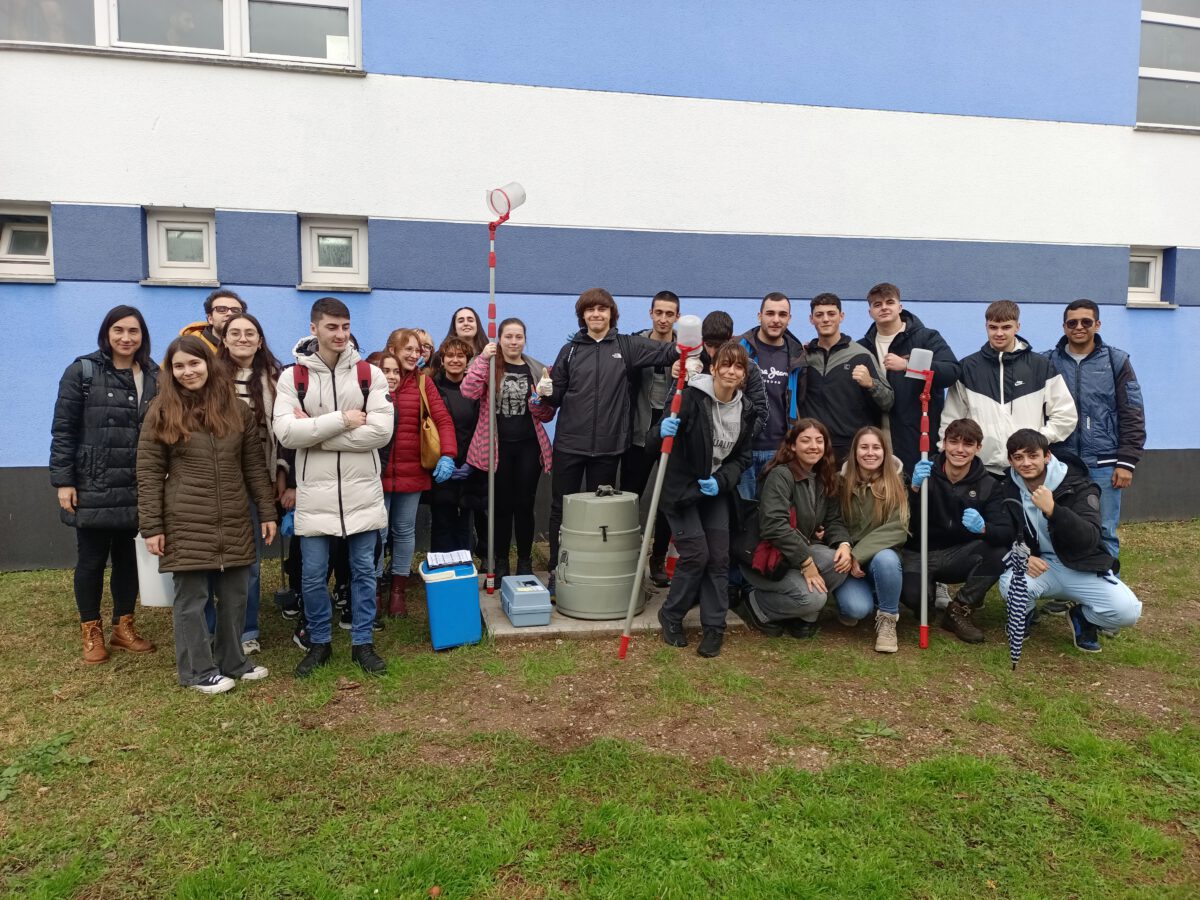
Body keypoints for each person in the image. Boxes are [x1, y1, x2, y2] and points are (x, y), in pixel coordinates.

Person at [137, 336, 276, 694]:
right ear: (171, 371)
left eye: (194, 363)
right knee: (192, 599)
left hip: (232, 516)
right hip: (185, 519)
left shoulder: (236, 409)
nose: (187, 372)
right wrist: (152, 526)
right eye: (179, 366)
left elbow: (254, 466)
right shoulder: (161, 410)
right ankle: (198, 671)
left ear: (209, 364)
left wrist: (266, 511)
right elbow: (149, 471)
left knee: (234, 596)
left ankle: (232, 661)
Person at [274, 298, 398, 677]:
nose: (340, 334)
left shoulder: (369, 375)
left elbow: (380, 432)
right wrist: (344, 419)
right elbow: (285, 432)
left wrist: (316, 432)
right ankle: (319, 642)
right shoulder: (292, 377)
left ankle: (362, 642)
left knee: (363, 572)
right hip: (315, 497)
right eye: (332, 327)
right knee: (312, 576)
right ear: (314, 329)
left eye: (345, 326)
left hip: (362, 493)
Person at [540, 288, 678, 592]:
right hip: (569, 444)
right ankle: (555, 570)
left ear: (611, 314)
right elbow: (558, 395)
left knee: (599, 514)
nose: (596, 314)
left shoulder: (627, 346)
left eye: (602, 309)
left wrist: (693, 350)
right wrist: (547, 392)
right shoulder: (570, 350)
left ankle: (592, 571)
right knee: (560, 509)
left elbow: (667, 351)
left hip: (608, 447)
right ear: (583, 315)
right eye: (590, 310)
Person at [51, 305, 160, 664]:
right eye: (119, 331)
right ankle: (91, 630)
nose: (126, 338)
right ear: (107, 333)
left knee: (129, 558)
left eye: (134, 331)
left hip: (137, 482)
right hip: (93, 481)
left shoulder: (155, 374)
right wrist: (64, 480)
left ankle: (123, 626)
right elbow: (63, 430)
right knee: (92, 559)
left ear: (142, 335)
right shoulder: (82, 371)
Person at [656, 342, 757, 658]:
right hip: (682, 490)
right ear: (713, 367)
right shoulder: (690, 398)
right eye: (725, 364)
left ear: (743, 374)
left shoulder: (747, 409)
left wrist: (721, 480)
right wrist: (662, 430)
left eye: (738, 367)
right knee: (696, 555)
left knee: (718, 557)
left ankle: (714, 627)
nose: (731, 371)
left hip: (714, 490)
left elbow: (743, 458)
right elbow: (651, 442)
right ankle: (671, 615)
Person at [999, 429, 1142, 653]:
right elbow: (1000, 534)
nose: (1026, 463)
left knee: (1127, 611)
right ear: (1010, 461)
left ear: (1047, 456)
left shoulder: (1080, 486)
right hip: (1041, 567)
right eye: (1018, 457)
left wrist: (1054, 511)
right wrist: (1021, 556)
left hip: (1081, 565)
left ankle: (1082, 617)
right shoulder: (1006, 489)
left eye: (1032, 455)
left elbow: (1089, 538)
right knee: (1011, 585)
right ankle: (1023, 616)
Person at [1043, 299, 1145, 563]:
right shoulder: (1047, 362)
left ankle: (1107, 597)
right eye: (1072, 322)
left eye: (1086, 322)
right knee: (1059, 526)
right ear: (1064, 326)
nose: (1079, 327)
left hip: (1105, 462)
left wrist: (1127, 462)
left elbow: (1132, 413)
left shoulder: (1116, 360)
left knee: (1104, 531)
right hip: (1061, 462)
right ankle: (1061, 596)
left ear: (1097, 324)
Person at [734, 419, 851, 639]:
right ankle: (757, 605)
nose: (813, 446)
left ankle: (804, 618)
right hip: (764, 559)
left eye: (819, 441)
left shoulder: (826, 478)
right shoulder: (781, 475)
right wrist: (807, 563)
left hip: (793, 556)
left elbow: (834, 520)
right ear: (793, 446)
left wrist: (843, 544)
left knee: (839, 562)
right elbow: (774, 526)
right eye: (805, 440)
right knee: (814, 598)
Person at [903, 418, 1014, 643]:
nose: (960, 450)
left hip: (959, 555)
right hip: (920, 552)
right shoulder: (925, 472)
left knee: (1000, 551)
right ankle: (928, 594)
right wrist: (913, 489)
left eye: (968, 444)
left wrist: (984, 527)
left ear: (978, 448)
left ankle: (959, 608)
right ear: (944, 444)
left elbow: (1006, 532)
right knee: (916, 600)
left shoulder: (989, 485)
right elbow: (904, 522)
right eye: (953, 442)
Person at [215, 312, 285, 655]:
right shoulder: (208, 377)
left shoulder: (275, 378)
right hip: (216, 481)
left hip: (259, 477)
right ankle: (214, 629)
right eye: (235, 333)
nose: (243, 338)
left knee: (250, 562)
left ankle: (247, 629)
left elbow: (283, 434)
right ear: (223, 339)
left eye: (250, 333)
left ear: (260, 341)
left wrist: (279, 478)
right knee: (213, 559)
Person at [462, 318, 554, 578]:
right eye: (508, 337)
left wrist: (542, 399)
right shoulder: (489, 365)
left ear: (524, 339)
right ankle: (500, 561)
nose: (513, 342)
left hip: (528, 447)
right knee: (501, 506)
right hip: (496, 448)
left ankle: (524, 561)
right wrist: (482, 359)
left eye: (518, 337)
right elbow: (468, 391)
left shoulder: (536, 368)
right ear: (499, 339)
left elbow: (546, 415)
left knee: (524, 506)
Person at [941, 300, 1077, 474]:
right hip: (979, 468)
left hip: (1025, 468)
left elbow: (1066, 415)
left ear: (1017, 327)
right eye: (993, 327)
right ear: (986, 326)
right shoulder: (967, 367)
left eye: (1006, 327)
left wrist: (1037, 440)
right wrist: (945, 455)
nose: (999, 333)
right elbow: (951, 420)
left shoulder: (1041, 366)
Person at [376, 329, 458, 615]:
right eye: (407, 349)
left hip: (413, 472)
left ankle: (398, 589)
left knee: (404, 530)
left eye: (418, 349)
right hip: (378, 473)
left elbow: (443, 420)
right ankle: (373, 588)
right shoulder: (376, 376)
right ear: (391, 349)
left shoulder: (423, 382)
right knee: (378, 533)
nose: (414, 354)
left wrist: (448, 455)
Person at [859, 282, 960, 473]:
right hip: (876, 436)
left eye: (890, 302)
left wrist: (909, 365)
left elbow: (951, 372)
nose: (884, 308)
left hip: (915, 436)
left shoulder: (926, 338)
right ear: (870, 312)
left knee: (916, 495)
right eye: (877, 304)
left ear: (900, 307)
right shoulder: (862, 347)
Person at [622, 290, 680, 586]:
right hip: (638, 431)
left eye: (670, 314)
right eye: (659, 312)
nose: (664, 319)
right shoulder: (634, 343)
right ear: (651, 313)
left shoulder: (687, 347)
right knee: (630, 496)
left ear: (677, 317)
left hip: (671, 433)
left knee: (667, 500)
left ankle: (658, 559)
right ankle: (627, 558)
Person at [834, 426, 910, 653]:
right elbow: (834, 521)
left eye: (876, 447)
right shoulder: (841, 482)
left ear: (885, 452)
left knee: (886, 559)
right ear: (855, 452)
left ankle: (888, 620)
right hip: (849, 562)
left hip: (879, 557)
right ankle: (862, 598)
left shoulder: (897, 483)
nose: (870, 453)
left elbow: (899, 527)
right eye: (864, 447)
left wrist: (860, 553)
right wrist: (848, 550)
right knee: (856, 610)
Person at [802, 293, 894, 463]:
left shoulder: (861, 356)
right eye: (819, 315)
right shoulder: (804, 357)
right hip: (814, 447)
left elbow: (888, 401)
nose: (825, 319)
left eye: (831, 314)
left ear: (841, 316)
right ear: (811, 319)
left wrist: (871, 384)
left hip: (851, 448)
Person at [738, 292, 808, 498]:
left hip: (779, 450)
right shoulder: (739, 349)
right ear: (760, 316)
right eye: (770, 313)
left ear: (789, 319)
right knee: (743, 515)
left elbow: (801, 402)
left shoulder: (797, 356)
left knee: (773, 514)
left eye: (782, 314)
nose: (776, 320)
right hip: (743, 448)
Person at [428, 337, 484, 553]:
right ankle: (441, 574)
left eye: (460, 356)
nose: (455, 360)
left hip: (469, 467)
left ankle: (463, 572)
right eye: (449, 355)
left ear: (468, 361)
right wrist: (443, 458)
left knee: (464, 525)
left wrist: (471, 462)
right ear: (442, 360)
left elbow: (480, 427)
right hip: (440, 467)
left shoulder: (476, 390)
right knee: (442, 523)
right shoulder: (432, 388)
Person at [180, 289, 246, 353]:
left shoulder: (251, 345)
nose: (229, 313)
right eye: (221, 309)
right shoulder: (191, 347)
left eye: (235, 310)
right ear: (210, 319)